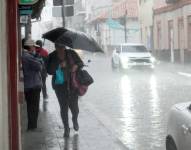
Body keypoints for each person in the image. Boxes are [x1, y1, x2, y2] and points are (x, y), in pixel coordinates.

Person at [46, 43, 84, 137]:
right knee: (64, 108)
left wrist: (76, 66)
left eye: (63, 47)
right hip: (59, 86)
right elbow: (49, 71)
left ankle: (74, 119)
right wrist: (58, 65)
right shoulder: (52, 56)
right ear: (55, 47)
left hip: (72, 84)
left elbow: (81, 63)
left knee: (75, 108)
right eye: (59, 47)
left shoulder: (71, 53)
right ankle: (66, 128)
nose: (61, 49)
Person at [22, 38, 43, 131]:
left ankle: (32, 126)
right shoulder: (28, 56)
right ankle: (32, 127)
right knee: (34, 107)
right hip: (33, 85)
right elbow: (39, 66)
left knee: (31, 107)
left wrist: (36, 57)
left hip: (29, 85)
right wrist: (38, 59)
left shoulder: (27, 56)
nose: (34, 48)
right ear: (29, 46)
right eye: (33, 46)